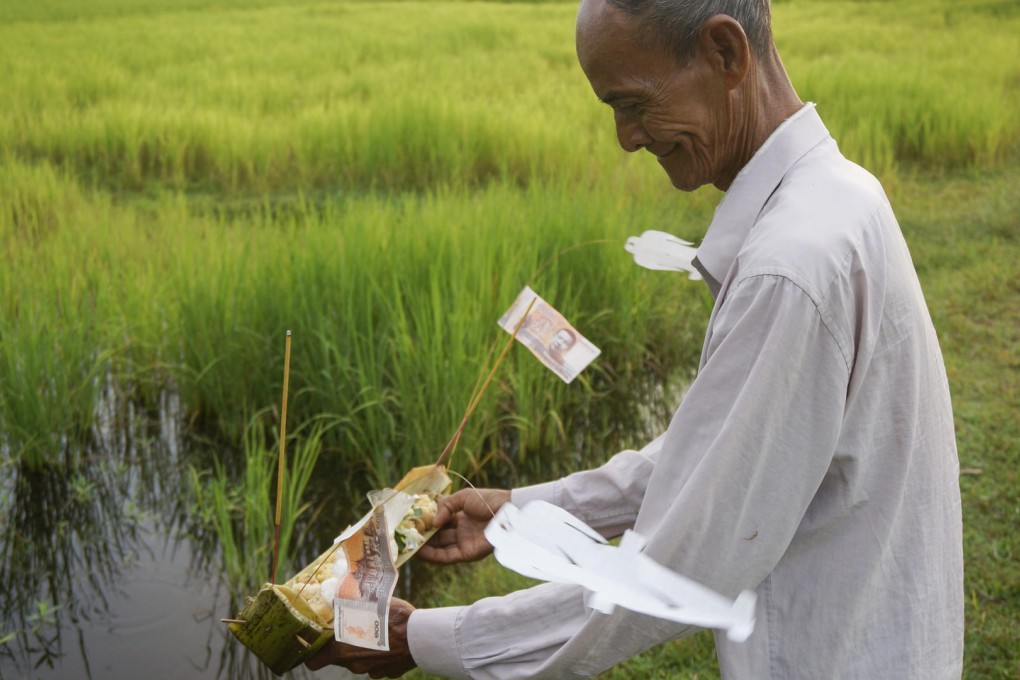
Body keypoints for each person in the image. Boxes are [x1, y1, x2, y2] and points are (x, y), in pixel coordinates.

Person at [307, 0, 964, 677]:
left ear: (725, 53)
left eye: (633, 103)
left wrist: (425, 639)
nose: (625, 138)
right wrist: (521, 509)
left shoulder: (789, 266)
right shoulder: (842, 196)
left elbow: (684, 564)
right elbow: (717, 452)